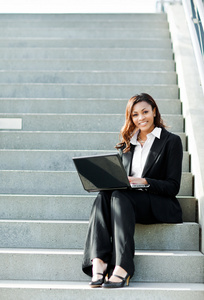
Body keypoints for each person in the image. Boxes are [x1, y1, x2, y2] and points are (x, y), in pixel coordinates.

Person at [82, 93, 183, 288]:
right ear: (131, 118)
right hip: (126, 202)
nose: (141, 118)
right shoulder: (127, 144)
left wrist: (143, 181)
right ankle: (99, 262)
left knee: (120, 195)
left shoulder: (171, 142)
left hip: (157, 202)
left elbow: (173, 186)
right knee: (104, 194)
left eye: (145, 112)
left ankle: (123, 266)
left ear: (154, 111)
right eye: (135, 114)